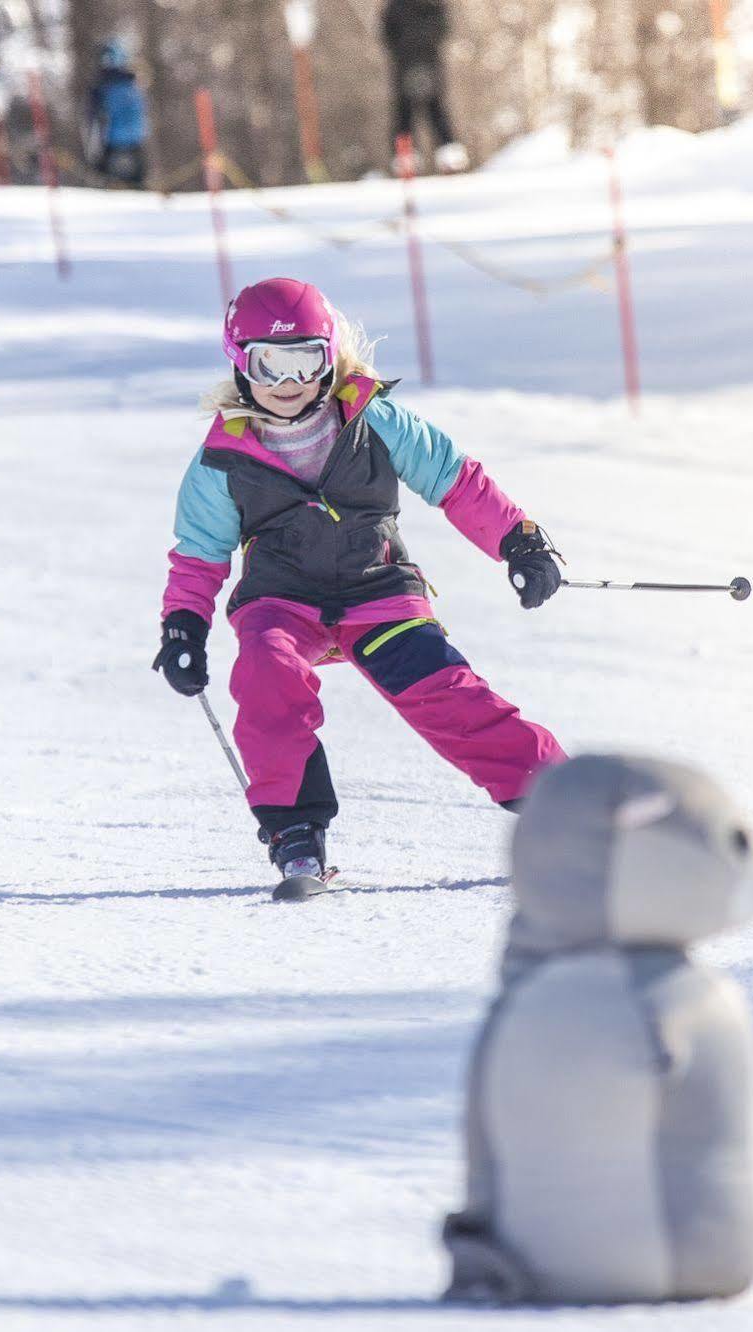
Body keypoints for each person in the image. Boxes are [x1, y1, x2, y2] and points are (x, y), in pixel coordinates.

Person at [151, 278, 566, 888]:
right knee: (267, 673)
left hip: (379, 593)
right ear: (241, 363)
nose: (289, 383)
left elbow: (454, 479)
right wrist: (183, 623)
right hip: (282, 601)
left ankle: (565, 803)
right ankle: (296, 831)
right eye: (271, 364)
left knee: (450, 693)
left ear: (330, 358)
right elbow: (199, 556)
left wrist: (518, 540)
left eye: (305, 361)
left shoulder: (376, 420)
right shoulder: (223, 459)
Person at [379, 0, 467, 173]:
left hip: (423, 62)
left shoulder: (429, 5)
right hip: (409, 63)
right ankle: (407, 157)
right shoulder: (398, 6)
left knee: (431, 108)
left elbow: (441, 29)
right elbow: (387, 33)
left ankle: (447, 155)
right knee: (408, 111)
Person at [86, 39, 148, 187]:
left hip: (112, 139)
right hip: (135, 139)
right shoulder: (133, 83)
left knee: (104, 177)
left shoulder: (102, 87)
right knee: (137, 180)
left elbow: (93, 117)